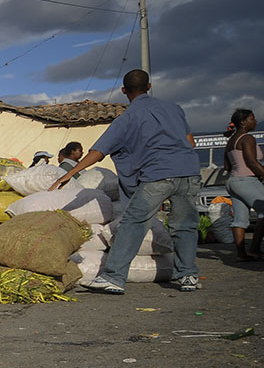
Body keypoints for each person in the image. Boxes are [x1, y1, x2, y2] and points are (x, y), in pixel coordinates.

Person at [53, 69, 201, 294]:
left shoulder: (127, 118)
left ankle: (113, 277)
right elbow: (190, 143)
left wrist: (66, 175)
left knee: (133, 223)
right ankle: (188, 275)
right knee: (185, 225)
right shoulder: (174, 109)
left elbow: (98, 151)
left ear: (124, 91)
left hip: (158, 174)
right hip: (189, 171)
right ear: (149, 86)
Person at [223, 108, 264, 261]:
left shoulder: (231, 140)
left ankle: (241, 254)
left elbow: (227, 166)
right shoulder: (247, 138)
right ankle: (254, 249)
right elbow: (252, 163)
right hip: (246, 180)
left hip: (233, 181)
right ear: (243, 122)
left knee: (240, 220)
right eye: (252, 119)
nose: (255, 121)